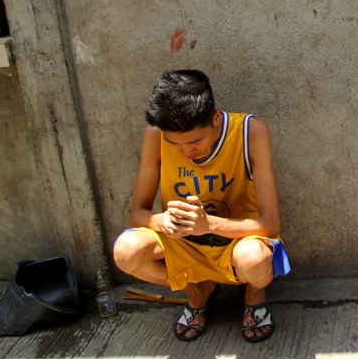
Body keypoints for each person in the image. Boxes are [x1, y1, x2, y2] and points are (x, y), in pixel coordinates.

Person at [113, 70, 290, 342]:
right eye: (174, 144)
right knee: (126, 251)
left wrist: (209, 224)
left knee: (254, 259)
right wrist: (161, 221)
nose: (186, 152)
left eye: (195, 141)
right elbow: (137, 213)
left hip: (236, 241)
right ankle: (198, 292)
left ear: (216, 118)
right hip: (183, 244)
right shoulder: (155, 135)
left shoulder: (250, 131)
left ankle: (254, 294)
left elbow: (270, 224)